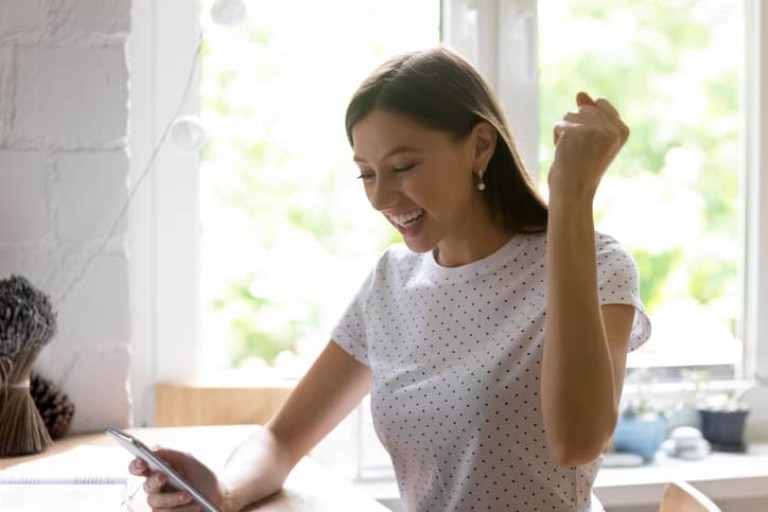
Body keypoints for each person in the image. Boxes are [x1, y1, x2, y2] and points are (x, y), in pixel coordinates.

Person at [130, 46, 651, 512]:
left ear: (480, 147)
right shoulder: (391, 282)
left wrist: (572, 198)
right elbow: (282, 440)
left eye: (403, 167)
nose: (380, 198)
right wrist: (219, 490)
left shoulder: (595, 264)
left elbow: (577, 441)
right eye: (367, 173)